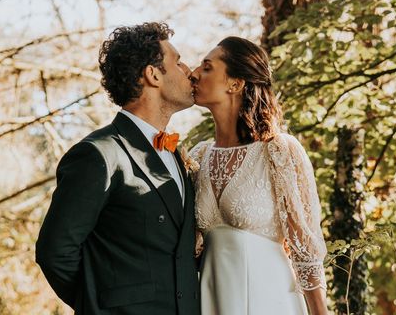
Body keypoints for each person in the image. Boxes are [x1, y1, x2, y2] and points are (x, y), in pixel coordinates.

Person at [36, 22, 200, 315]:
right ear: (153, 75)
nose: (189, 69)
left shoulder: (177, 157)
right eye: (177, 61)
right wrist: (101, 304)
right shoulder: (98, 154)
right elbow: (55, 252)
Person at [189, 36, 329, 315]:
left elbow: (305, 249)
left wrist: (320, 312)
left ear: (235, 83)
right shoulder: (199, 156)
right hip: (211, 299)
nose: (193, 74)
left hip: (271, 298)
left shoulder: (278, 151)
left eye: (207, 67)